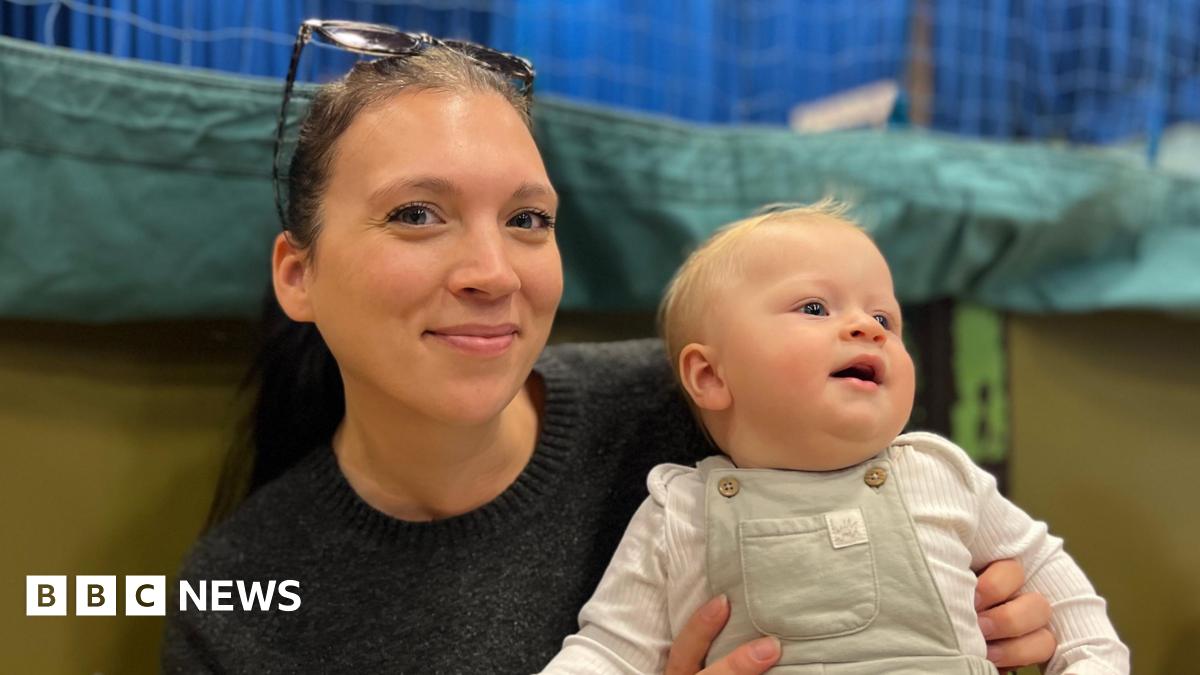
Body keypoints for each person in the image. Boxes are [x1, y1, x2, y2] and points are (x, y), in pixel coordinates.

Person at [161, 20, 1058, 674]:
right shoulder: (236, 596)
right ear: (298, 274)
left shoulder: (701, 404)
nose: (491, 271)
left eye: (527, 220)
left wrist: (1014, 613)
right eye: (416, 214)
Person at [540, 203, 1129, 674]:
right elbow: (609, 653)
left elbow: (1064, 599)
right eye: (815, 307)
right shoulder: (680, 515)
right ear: (712, 376)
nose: (865, 327)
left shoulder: (941, 475)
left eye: (885, 318)